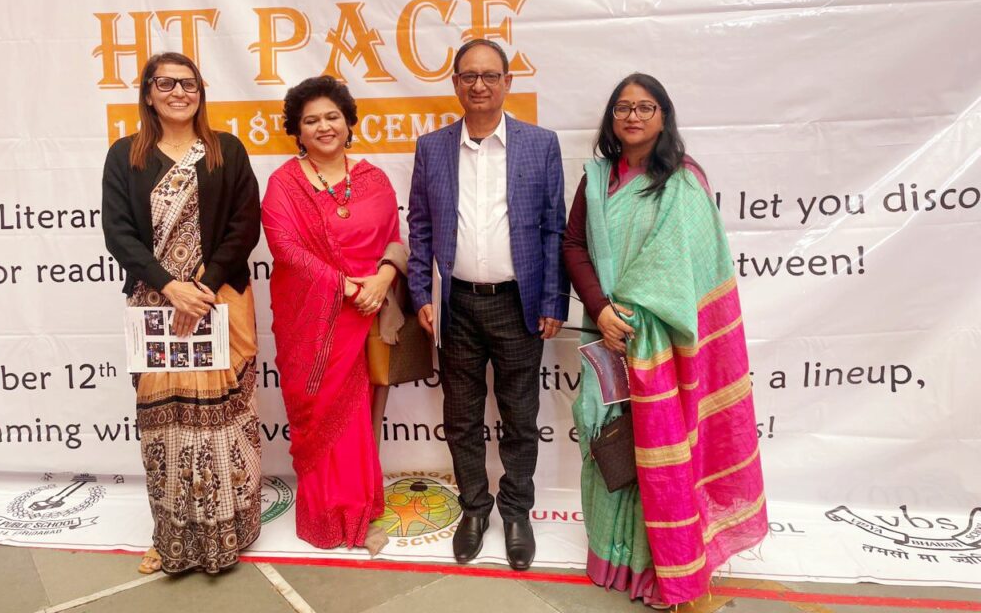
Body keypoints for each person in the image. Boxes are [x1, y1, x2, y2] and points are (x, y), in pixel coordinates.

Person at [562, 73, 767, 607]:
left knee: (660, 448)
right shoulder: (597, 178)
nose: (632, 116)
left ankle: (664, 566)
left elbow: (685, 268)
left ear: (663, 116)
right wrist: (602, 310)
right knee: (606, 440)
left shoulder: (683, 182)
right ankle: (612, 558)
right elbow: (573, 245)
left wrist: (632, 316)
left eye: (645, 107)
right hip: (605, 334)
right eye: (623, 107)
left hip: (659, 344)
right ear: (611, 118)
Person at [407, 38, 569, 570]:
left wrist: (553, 298)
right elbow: (420, 227)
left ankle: (517, 512)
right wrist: (422, 293)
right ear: (455, 83)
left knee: (520, 416)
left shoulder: (540, 144)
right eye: (469, 76)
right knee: (461, 416)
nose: (479, 85)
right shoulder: (432, 148)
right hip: (455, 306)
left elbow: (553, 228)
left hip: (519, 304)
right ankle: (475, 510)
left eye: (490, 75)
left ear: (507, 82)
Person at [101, 51, 262, 575]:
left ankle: (231, 532)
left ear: (201, 92)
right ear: (148, 93)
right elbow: (118, 233)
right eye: (166, 83)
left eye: (188, 84)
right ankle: (170, 536)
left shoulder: (225, 150)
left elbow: (245, 225)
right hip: (156, 307)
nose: (178, 93)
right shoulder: (125, 155)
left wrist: (203, 287)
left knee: (224, 422)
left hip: (220, 301)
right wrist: (171, 287)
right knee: (164, 427)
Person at [262, 75, 402, 555]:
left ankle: (359, 510)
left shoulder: (374, 179)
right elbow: (284, 247)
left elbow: (394, 240)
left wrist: (382, 280)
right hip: (313, 322)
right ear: (297, 130)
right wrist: (344, 286)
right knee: (319, 416)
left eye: (332, 117)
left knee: (358, 416)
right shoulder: (284, 184)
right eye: (311, 120)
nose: (323, 127)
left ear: (348, 122)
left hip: (367, 314)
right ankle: (324, 516)